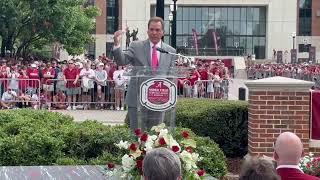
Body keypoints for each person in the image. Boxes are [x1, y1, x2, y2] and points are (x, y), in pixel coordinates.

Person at [113, 17, 176, 131]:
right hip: (137, 99)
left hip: (158, 100)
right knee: (136, 136)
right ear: (147, 31)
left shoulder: (170, 51)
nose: (154, 32)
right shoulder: (136, 46)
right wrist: (117, 44)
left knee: (155, 137)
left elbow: (170, 77)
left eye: (157, 30)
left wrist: (168, 98)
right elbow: (121, 61)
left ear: (163, 32)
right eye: (151, 29)